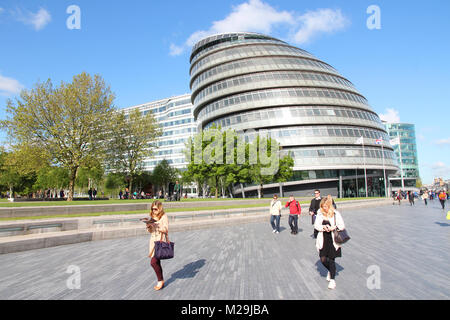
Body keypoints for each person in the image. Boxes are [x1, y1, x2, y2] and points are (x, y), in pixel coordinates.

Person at [314, 195, 345, 290]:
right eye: (323, 207)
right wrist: (323, 228)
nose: (324, 208)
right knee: (323, 259)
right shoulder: (320, 214)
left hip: (333, 239)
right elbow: (316, 225)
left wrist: (333, 227)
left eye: (325, 207)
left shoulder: (336, 214)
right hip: (323, 239)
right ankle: (331, 271)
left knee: (331, 259)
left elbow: (342, 226)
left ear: (329, 206)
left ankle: (332, 280)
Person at [146, 200, 169, 291]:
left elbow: (166, 229)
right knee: (157, 262)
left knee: (153, 262)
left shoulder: (164, 216)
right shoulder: (152, 216)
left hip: (160, 241)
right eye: (152, 209)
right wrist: (149, 227)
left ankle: (160, 280)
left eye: (155, 209)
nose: (153, 210)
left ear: (159, 208)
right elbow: (150, 232)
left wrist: (157, 225)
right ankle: (161, 280)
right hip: (153, 241)